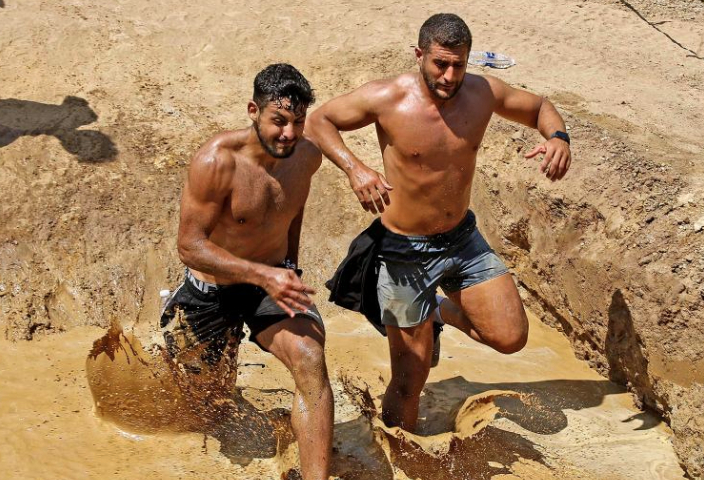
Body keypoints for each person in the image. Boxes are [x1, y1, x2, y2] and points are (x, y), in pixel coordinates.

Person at [308, 13, 572, 432]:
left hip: (462, 241)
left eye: (459, 65)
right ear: (419, 55)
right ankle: (403, 457)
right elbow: (318, 120)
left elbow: (539, 106)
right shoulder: (387, 97)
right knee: (410, 382)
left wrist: (558, 139)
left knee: (510, 336)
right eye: (440, 64)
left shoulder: (482, 93)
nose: (450, 76)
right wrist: (355, 169)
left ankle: (437, 311)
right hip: (405, 253)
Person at [160, 64, 332, 480]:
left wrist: (287, 266)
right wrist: (261, 274)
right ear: (254, 110)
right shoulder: (215, 161)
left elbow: (292, 209)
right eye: (278, 121)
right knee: (208, 409)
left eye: (297, 122)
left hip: (270, 284)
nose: (288, 134)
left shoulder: (306, 157)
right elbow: (189, 245)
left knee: (310, 359)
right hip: (211, 291)